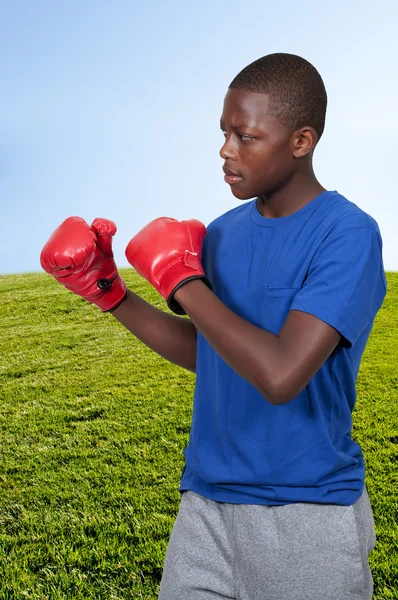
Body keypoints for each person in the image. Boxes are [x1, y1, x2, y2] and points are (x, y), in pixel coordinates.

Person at [40, 53, 387, 600]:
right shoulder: (222, 235)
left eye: (246, 136)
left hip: (305, 513)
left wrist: (182, 281)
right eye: (224, 132)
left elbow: (279, 374)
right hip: (205, 505)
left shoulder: (347, 235)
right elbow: (215, 353)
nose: (226, 150)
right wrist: (110, 293)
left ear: (301, 141)